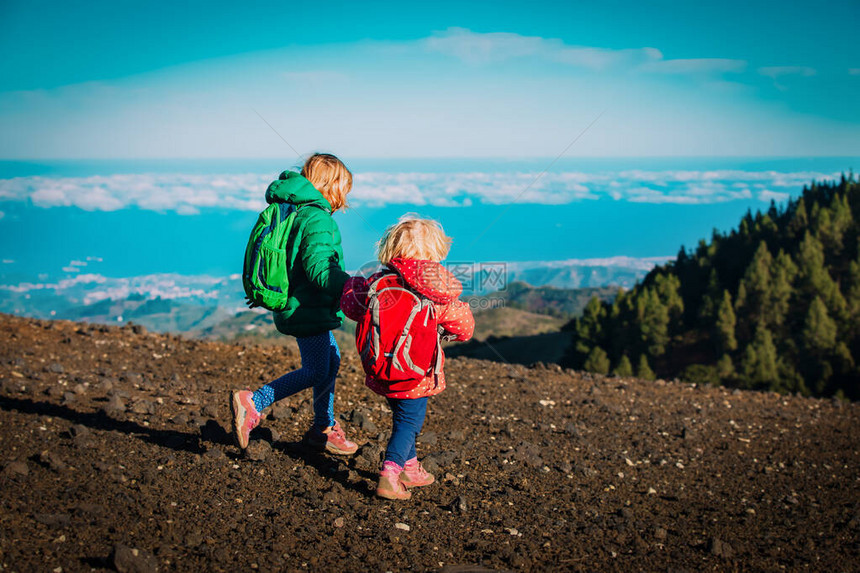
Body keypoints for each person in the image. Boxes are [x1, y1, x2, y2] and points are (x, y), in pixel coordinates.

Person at [231, 153, 358, 455]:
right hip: (307, 308)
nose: (345, 196)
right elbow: (319, 269)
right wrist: (355, 287)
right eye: (344, 188)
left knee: (332, 359)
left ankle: (322, 429)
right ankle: (254, 401)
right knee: (316, 370)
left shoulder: (292, 209)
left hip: (300, 305)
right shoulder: (317, 217)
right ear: (331, 186)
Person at [341, 215, 474, 499]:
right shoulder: (437, 293)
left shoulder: (378, 281)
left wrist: (350, 283)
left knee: (403, 418)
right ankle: (390, 473)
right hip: (417, 373)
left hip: (381, 367)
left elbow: (350, 307)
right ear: (435, 252)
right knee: (409, 423)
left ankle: (411, 469)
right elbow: (464, 328)